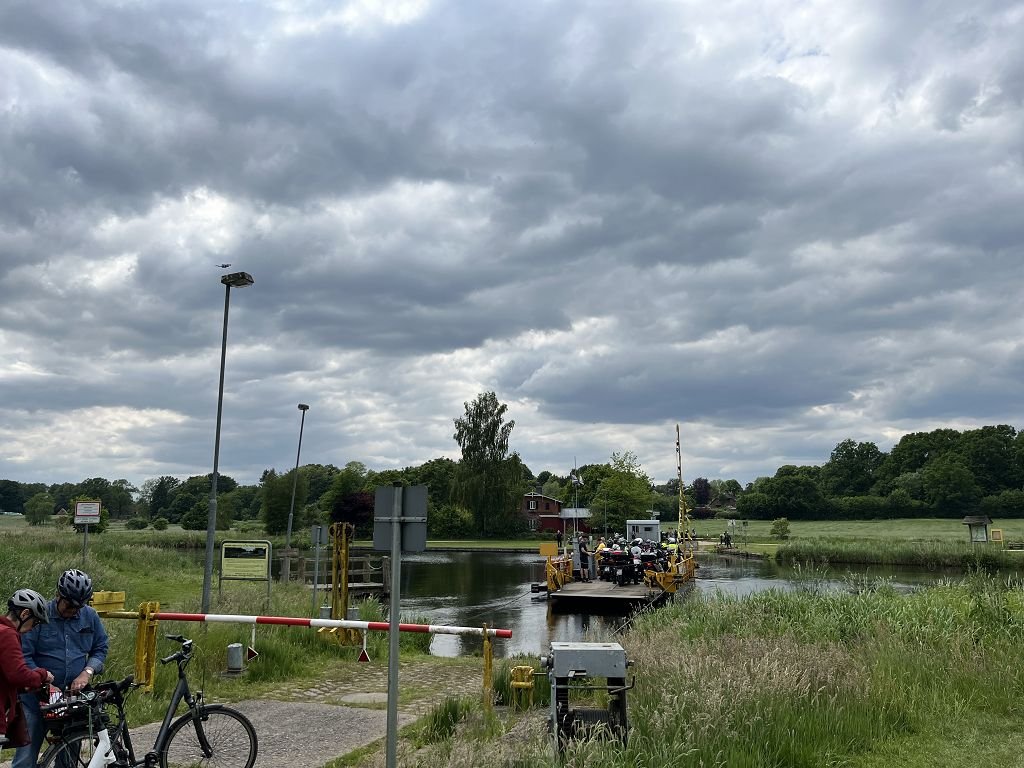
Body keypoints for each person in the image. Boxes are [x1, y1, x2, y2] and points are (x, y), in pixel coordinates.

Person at [13, 569, 108, 768]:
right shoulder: (39, 617)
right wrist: (44, 682)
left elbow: (100, 648)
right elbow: (24, 656)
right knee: (25, 759)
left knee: (68, 761)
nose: (73, 610)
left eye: (78, 606)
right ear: (58, 595)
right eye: (69, 605)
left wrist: (87, 672)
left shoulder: (89, 616)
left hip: (71, 700)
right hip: (35, 701)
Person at [2, 590, 54, 747]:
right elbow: (19, 675)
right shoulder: (7, 635)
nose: (33, 628)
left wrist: (24, 687)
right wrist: (43, 675)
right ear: (24, 614)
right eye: (35, 622)